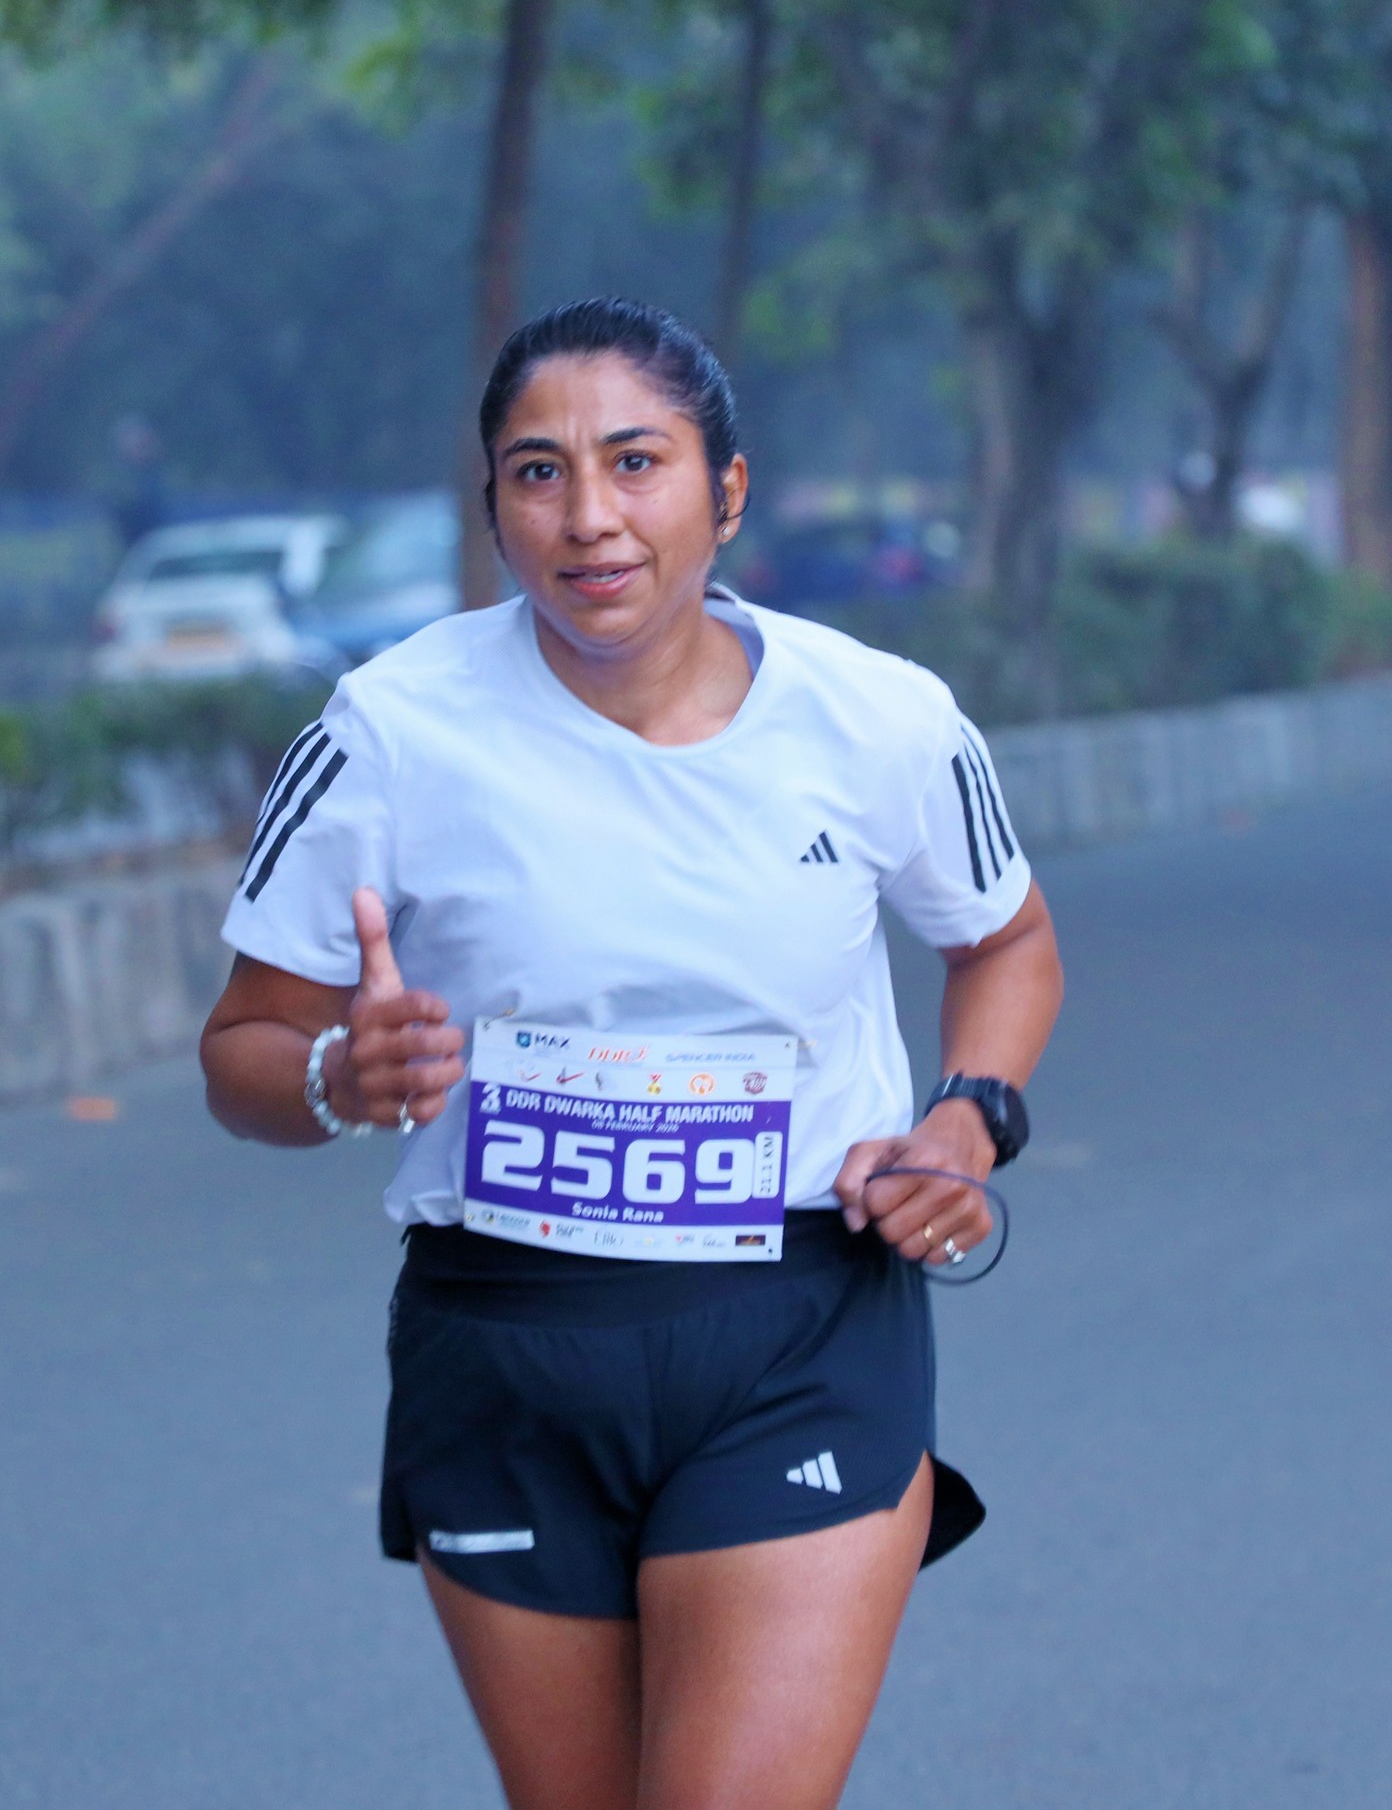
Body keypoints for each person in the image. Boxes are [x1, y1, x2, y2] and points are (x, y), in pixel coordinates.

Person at [199, 298, 1063, 1810]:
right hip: (509, 1343)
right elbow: (243, 1054)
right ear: (494, 508)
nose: (589, 516)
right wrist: (343, 1074)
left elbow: (1006, 941)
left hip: (799, 1328)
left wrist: (964, 1121)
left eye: (636, 462)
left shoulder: (878, 719)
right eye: (538, 473)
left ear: (726, 492)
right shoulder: (390, 731)